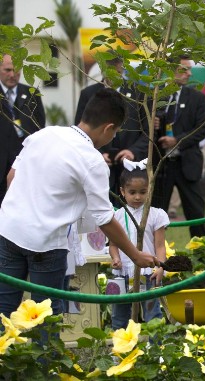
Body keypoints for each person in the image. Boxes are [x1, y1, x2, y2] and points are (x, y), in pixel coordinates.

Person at [0, 88, 159, 316]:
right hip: (46, 243)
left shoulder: (44, 134)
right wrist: (135, 255)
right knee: (46, 316)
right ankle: (46, 353)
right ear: (108, 128)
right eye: (115, 133)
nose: (112, 139)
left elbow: (11, 177)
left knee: (3, 307)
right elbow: (104, 219)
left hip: (8, 230)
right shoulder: (92, 161)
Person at [75, 55, 149, 208]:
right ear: (103, 70)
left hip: (131, 167)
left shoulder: (138, 93)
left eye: (119, 71)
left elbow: (147, 132)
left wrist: (132, 151)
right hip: (99, 165)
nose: (117, 75)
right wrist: (97, 154)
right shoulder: (88, 94)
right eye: (112, 71)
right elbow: (80, 131)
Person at [109, 159, 168, 329]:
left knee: (153, 315)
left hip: (149, 273)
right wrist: (115, 258)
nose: (137, 196)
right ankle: (120, 350)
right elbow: (113, 244)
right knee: (119, 315)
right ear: (122, 191)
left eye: (143, 192)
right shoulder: (117, 216)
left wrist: (160, 267)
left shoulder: (156, 215)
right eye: (132, 192)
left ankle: (154, 352)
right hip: (122, 274)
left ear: (149, 190)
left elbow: (160, 246)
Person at [155, 55, 205, 238]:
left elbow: (202, 130)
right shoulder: (156, 96)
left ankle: (201, 252)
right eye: (184, 69)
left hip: (188, 163)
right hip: (162, 165)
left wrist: (177, 140)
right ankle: (155, 255)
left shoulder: (197, 98)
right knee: (157, 214)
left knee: (196, 212)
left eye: (190, 69)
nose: (189, 73)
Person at [0, 54, 45, 150]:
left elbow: (40, 126)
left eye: (16, 69)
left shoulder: (32, 94)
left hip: (24, 154)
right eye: (7, 70)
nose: (12, 75)